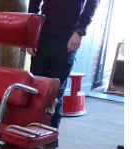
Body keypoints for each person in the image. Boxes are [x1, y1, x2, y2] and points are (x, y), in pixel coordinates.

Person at [27, 0, 100, 128]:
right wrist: (31, 34)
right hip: (42, 35)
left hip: (68, 37)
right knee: (36, 89)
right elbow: (34, 2)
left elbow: (92, 3)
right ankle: (32, 134)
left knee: (56, 92)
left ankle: (50, 141)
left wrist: (80, 31)